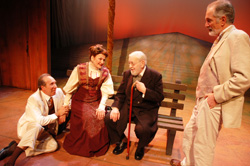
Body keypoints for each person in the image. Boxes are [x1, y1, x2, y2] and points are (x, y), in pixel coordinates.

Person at [170, 1, 250, 166]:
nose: (205, 24)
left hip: (213, 102)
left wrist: (216, 96)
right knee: (190, 136)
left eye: (209, 20)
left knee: (203, 147)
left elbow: (244, 78)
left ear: (222, 20)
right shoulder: (221, 38)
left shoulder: (238, 36)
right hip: (203, 100)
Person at [104, 51, 164, 160]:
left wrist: (145, 91)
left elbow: (159, 97)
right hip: (128, 107)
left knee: (143, 129)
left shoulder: (156, 76)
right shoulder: (127, 74)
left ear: (142, 63)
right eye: (129, 63)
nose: (130, 66)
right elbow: (121, 93)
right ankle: (121, 140)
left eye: (132, 63)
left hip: (146, 109)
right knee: (109, 119)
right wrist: (116, 107)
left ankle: (141, 146)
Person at [1, 73, 69, 166]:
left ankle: (15, 148)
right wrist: (57, 114)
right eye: (51, 84)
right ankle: (11, 161)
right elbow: (40, 121)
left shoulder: (58, 92)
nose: (55, 86)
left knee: (53, 146)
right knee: (37, 126)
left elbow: (67, 102)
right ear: (42, 87)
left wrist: (64, 113)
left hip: (44, 131)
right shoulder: (33, 99)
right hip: (30, 128)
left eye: (55, 83)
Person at [63, 44, 114, 157]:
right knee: (88, 116)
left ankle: (96, 145)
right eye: (99, 59)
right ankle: (84, 146)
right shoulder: (80, 69)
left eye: (103, 60)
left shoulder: (105, 72)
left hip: (96, 100)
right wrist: (66, 104)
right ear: (92, 57)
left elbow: (106, 91)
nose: (102, 62)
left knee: (99, 116)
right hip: (80, 101)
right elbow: (69, 89)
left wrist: (101, 106)